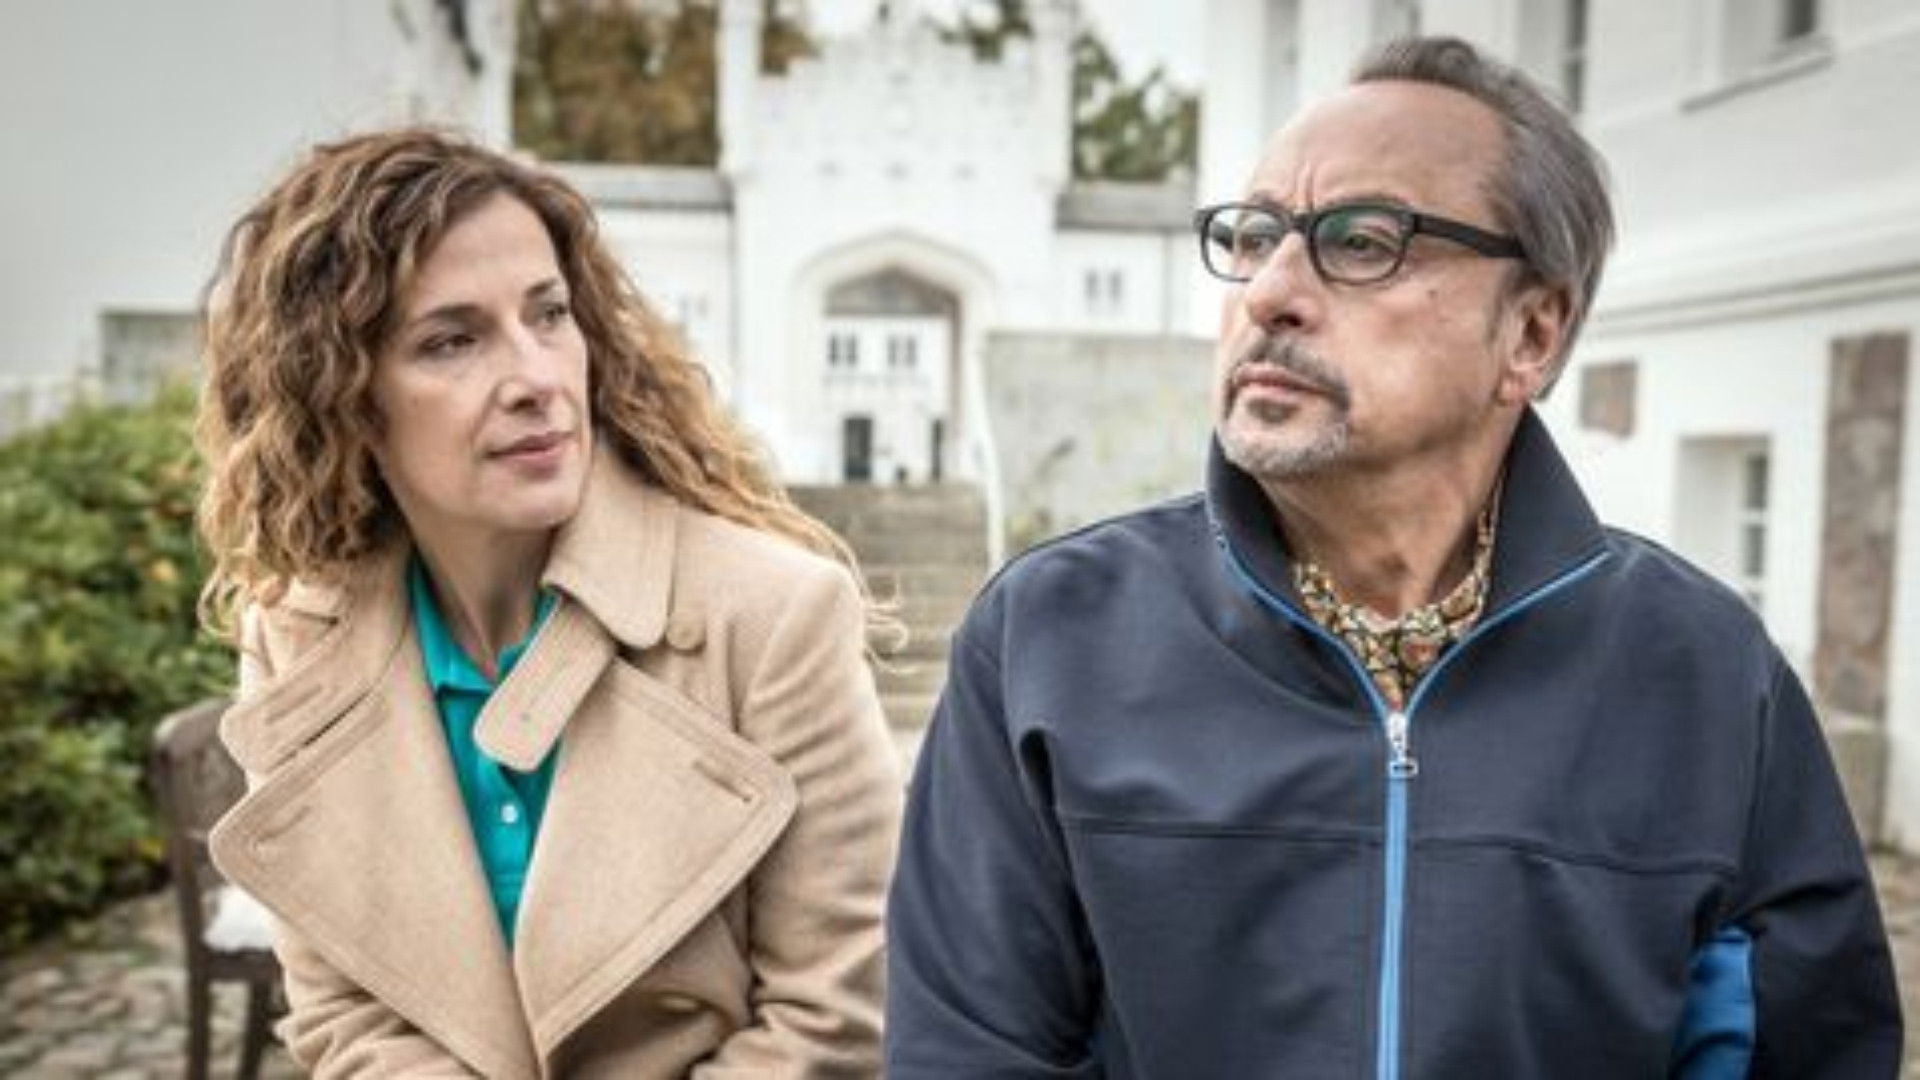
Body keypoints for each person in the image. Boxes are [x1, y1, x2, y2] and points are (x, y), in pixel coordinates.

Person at [885, 36, 1902, 1078]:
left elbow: (1803, 1049)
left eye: (1363, 241)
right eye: (1255, 236)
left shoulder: (1704, 673)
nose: (1270, 291)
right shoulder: (1051, 641)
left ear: (1532, 334)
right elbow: (967, 1053)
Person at [196, 128, 901, 1078]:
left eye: (550, 314)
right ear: (343, 396)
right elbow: (346, 1017)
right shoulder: (295, 633)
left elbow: (839, 1020)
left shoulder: (774, 614)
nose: (536, 379)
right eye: (452, 340)